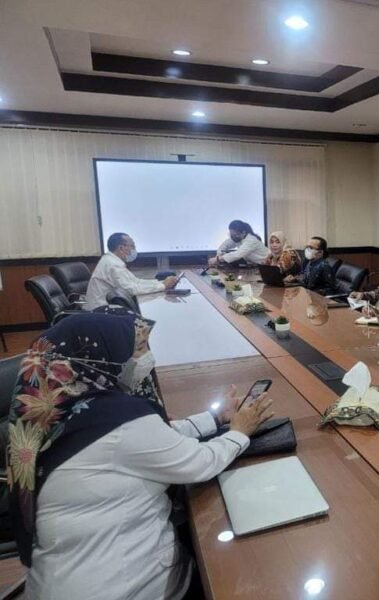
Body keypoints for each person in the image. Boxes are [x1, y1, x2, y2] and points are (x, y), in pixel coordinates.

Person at [8, 310, 275, 599]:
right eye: (137, 348)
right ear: (102, 355)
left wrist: (215, 418)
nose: (145, 357)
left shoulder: (60, 409)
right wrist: (239, 431)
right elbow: (200, 463)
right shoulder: (117, 420)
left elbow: (155, 438)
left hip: (63, 580)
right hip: (123, 587)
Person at [85, 232, 178, 311]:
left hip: (109, 307)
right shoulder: (112, 264)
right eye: (132, 246)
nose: (134, 250)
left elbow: (136, 282)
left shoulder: (113, 261)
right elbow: (130, 290)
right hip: (101, 311)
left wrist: (161, 282)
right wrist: (163, 286)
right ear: (121, 248)